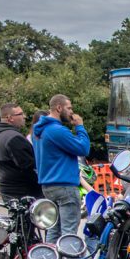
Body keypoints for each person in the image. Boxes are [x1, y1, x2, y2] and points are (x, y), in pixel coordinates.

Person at [32, 94, 90, 241]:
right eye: (69, 108)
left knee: (53, 230)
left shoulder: (38, 131)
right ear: (59, 108)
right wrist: (80, 127)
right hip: (65, 186)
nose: (71, 112)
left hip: (48, 186)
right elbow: (83, 148)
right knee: (68, 232)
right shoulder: (57, 130)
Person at [0, 103, 41, 201]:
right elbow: (28, 165)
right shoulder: (13, 137)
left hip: (7, 187)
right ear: (10, 118)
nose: (24, 117)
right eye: (20, 114)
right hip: (22, 190)